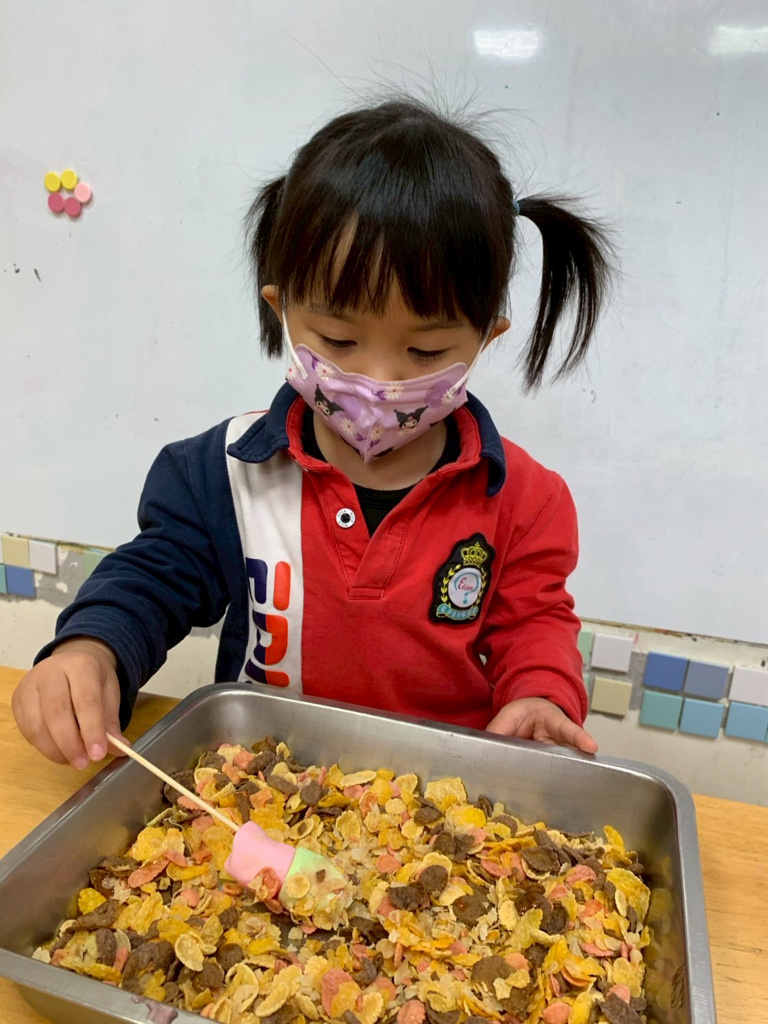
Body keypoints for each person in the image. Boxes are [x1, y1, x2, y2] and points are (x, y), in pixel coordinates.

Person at [12, 97, 613, 770]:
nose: (379, 380)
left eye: (426, 351)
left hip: (441, 799)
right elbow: (153, 577)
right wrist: (92, 648)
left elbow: (535, 624)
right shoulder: (224, 473)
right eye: (338, 339)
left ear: (486, 338)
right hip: (264, 790)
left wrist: (541, 694)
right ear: (283, 310)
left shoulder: (525, 501)